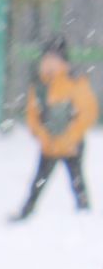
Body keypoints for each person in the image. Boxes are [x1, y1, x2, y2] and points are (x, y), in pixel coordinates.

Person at [12, 35, 95, 220]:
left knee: (77, 180)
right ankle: (27, 210)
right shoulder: (40, 85)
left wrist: (71, 136)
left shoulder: (74, 82)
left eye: (54, 59)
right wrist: (42, 134)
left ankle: (85, 213)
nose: (49, 63)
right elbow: (33, 115)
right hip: (49, 143)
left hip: (71, 144)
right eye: (46, 58)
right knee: (39, 180)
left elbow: (87, 112)